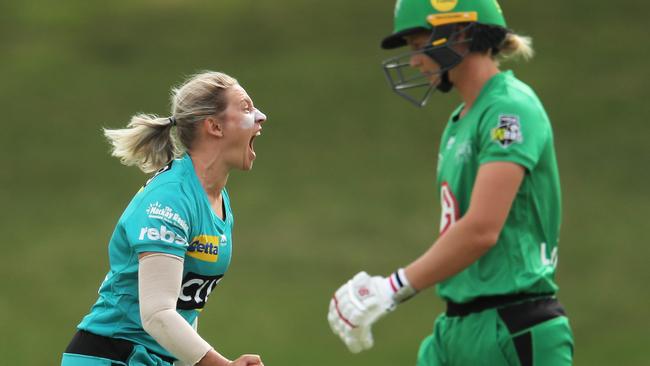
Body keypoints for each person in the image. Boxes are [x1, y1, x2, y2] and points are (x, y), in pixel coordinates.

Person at [327, 0, 574, 365]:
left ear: (457, 32)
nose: (413, 60)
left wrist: (392, 287)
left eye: (417, 45)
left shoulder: (509, 109)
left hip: (512, 327)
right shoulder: (461, 120)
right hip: (457, 328)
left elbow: (482, 229)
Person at [61, 71, 267, 366]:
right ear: (215, 126)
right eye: (246, 108)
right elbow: (157, 314)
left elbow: (184, 311)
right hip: (111, 357)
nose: (260, 117)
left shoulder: (217, 200)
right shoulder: (170, 199)